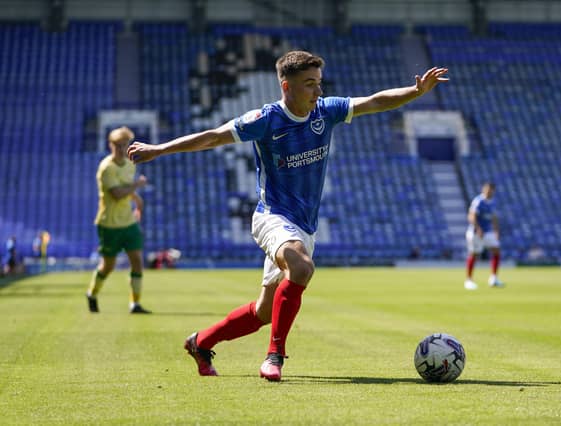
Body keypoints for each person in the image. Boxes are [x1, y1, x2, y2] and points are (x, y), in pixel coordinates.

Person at [127, 50, 449, 381]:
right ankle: (274, 356)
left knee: (264, 312)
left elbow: (374, 102)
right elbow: (212, 137)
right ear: (286, 86)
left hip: (303, 227)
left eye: (319, 83)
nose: (318, 92)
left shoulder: (326, 111)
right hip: (272, 216)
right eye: (309, 84)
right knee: (301, 266)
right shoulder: (265, 120)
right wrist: (159, 149)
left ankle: (200, 342)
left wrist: (416, 92)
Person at [86, 126, 151, 314]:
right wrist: (137, 186)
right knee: (108, 266)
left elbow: (127, 191)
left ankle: (135, 304)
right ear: (110, 145)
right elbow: (117, 194)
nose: (122, 149)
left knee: (137, 260)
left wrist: (137, 201)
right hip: (109, 224)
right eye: (118, 146)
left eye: (125, 145)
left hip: (128, 222)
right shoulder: (107, 168)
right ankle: (92, 293)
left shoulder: (131, 164)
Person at [464, 182, 504, 290]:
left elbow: (494, 217)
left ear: (493, 191)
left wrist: (496, 230)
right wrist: (478, 228)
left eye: (490, 190)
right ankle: (468, 280)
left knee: (496, 250)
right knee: (474, 254)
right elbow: (471, 216)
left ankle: (493, 278)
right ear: (483, 189)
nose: (488, 191)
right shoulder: (478, 201)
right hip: (476, 232)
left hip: (488, 232)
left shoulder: (493, 202)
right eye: (486, 189)